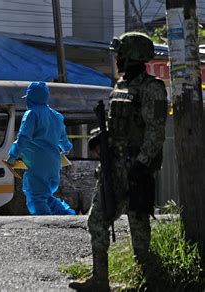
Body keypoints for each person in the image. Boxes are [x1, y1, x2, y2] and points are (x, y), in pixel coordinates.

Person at [70, 32, 168, 291]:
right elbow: (117, 129)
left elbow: (155, 132)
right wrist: (98, 139)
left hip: (136, 169)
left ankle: (149, 281)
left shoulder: (152, 89)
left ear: (133, 57)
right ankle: (100, 280)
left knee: (139, 226)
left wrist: (142, 164)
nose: (117, 60)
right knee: (97, 220)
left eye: (121, 55)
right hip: (113, 169)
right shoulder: (120, 88)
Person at [6, 81, 75, 215]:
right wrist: (66, 148)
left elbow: (23, 138)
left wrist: (13, 156)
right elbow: (65, 143)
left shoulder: (31, 114)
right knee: (47, 196)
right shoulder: (56, 116)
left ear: (31, 97)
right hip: (54, 164)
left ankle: (45, 227)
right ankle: (68, 216)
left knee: (35, 198)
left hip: (37, 163)